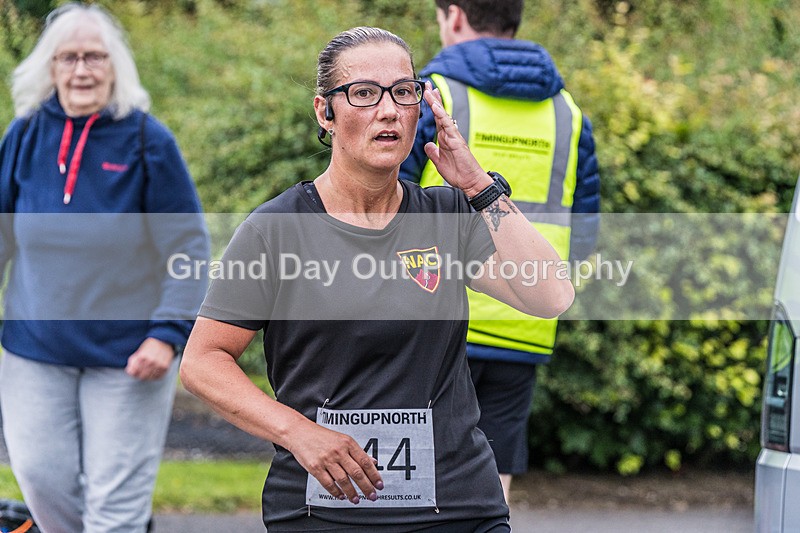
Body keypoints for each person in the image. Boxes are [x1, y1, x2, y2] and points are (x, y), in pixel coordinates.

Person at [180, 26, 574, 532]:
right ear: (325, 112)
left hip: (456, 506)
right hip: (326, 508)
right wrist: (299, 433)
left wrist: (479, 185)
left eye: (403, 92)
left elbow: (550, 295)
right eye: (364, 93)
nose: (388, 109)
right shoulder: (277, 228)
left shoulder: (448, 215)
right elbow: (202, 361)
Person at [0, 3, 209, 532]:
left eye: (94, 56)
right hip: (34, 351)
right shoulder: (24, 137)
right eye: (67, 57)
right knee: (43, 485)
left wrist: (168, 333)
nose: (81, 69)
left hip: (128, 359)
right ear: (50, 67)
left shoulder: (146, 140)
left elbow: (187, 246)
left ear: (114, 65)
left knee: (115, 509)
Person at [399, 0, 601, 502]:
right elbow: (587, 233)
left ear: (456, 16)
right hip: (525, 322)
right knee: (494, 477)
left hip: (434, 317)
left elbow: (389, 206)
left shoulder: (431, 97)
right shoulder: (568, 113)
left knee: (415, 474)